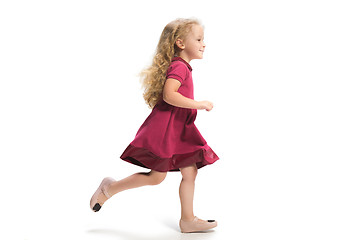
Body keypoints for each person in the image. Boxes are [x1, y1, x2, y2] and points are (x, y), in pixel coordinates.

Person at [90, 18, 219, 233]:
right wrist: (199, 104)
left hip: (180, 130)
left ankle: (188, 220)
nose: (203, 44)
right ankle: (108, 188)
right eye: (198, 39)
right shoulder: (179, 67)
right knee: (156, 177)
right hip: (167, 130)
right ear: (180, 42)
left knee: (190, 171)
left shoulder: (183, 67)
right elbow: (170, 95)